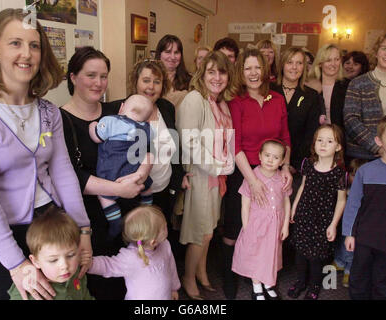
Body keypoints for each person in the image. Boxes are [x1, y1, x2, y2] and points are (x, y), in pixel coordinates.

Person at [0, 8, 92, 300]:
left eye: (34, 45)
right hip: (6, 235)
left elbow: (63, 173)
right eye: (15, 43)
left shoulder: (48, 111)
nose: (27, 54)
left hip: (53, 226)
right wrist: (17, 264)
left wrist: (83, 230)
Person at [61, 46, 143, 300]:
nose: (99, 83)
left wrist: (139, 174)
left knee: (131, 280)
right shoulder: (60, 119)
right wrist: (119, 189)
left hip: (128, 209)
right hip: (89, 219)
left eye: (104, 76)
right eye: (91, 75)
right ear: (73, 77)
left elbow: (141, 145)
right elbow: (69, 176)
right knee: (99, 283)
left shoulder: (116, 111)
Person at [222, 48, 292, 300]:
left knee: (267, 228)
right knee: (237, 226)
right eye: (247, 68)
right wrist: (252, 181)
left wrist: (285, 167)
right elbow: (235, 144)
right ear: (240, 72)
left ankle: (262, 276)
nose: (253, 73)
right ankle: (231, 275)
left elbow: (285, 138)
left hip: (273, 170)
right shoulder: (236, 102)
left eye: (257, 67)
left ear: (265, 70)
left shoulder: (278, 99)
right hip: (244, 172)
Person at [106, 60, 186, 252]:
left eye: (157, 81)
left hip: (163, 189)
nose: (151, 86)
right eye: (146, 80)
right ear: (136, 82)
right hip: (135, 192)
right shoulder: (124, 109)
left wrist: (179, 174)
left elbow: (173, 142)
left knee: (159, 238)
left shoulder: (166, 107)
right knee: (136, 243)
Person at [176, 50, 235, 300]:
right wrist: (218, 167)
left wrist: (227, 163)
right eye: (211, 71)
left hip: (217, 176)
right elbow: (190, 142)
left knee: (210, 230)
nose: (217, 77)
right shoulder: (194, 99)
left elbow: (227, 139)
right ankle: (188, 278)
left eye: (222, 72)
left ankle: (202, 272)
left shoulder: (220, 102)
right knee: (200, 232)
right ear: (202, 73)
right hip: (201, 175)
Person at [343, 115, 386, 300]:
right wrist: (350, 233)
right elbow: (353, 204)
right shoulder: (365, 172)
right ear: (379, 141)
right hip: (365, 240)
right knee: (359, 281)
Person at [288, 124, 347, 300]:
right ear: (314, 144)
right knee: (300, 252)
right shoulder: (308, 164)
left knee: (315, 258)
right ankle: (301, 281)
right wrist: (294, 208)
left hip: (323, 220)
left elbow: (341, 201)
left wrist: (334, 225)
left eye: (329, 141)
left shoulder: (339, 173)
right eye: (319, 140)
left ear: (337, 147)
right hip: (304, 215)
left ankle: (314, 285)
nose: (323, 144)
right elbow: (302, 187)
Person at [232, 139, 292, 300]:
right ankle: (257, 286)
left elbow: (286, 201)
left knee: (270, 255)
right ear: (259, 156)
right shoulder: (253, 177)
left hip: (275, 225)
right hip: (256, 224)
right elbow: (244, 203)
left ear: (281, 161)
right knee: (255, 255)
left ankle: (268, 282)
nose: (270, 160)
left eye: (276, 157)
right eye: (267, 155)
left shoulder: (282, 178)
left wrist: (285, 225)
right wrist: (246, 226)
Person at [88, 95, 154, 240]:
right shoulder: (147, 128)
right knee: (147, 186)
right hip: (134, 172)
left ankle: (115, 221)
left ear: (122, 107)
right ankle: (147, 206)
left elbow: (97, 137)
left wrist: (92, 126)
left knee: (104, 197)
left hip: (111, 173)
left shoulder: (111, 121)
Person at [87, 205, 181, 300]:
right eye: (164, 227)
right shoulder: (130, 258)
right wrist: (90, 264)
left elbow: (171, 267)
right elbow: (108, 266)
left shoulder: (165, 244)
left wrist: (174, 288)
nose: (166, 225)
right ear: (153, 241)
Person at [8, 207, 94, 300]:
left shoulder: (77, 273)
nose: (64, 266)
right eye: (53, 260)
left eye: (71, 255)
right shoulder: (28, 288)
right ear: (36, 261)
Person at [271, 47, 322, 197]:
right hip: (266, 162)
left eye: (299, 63)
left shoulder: (311, 96)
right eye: (290, 62)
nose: (294, 67)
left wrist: (292, 163)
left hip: (295, 166)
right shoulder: (269, 90)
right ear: (282, 65)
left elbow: (310, 134)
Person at [343, 33, 386, 163]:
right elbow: (350, 120)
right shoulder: (357, 83)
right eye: (384, 48)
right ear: (376, 52)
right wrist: (377, 147)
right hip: (362, 157)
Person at [332, 158, 368, 288]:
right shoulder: (345, 187)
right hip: (345, 222)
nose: (357, 179)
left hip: (359, 225)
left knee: (353, 248)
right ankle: (339, 262)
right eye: (354, 175)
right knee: (340, 241)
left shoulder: (367, 191)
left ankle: (349, 271)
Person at [306, 43, 349, 130]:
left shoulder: (348, 86)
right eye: (328, 60)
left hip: (339, 137)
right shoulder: (309, 85)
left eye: (336, 59)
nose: (333, 64)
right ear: (320, 63)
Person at [155, 34, 192, 108]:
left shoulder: (190, 80)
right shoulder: (150, 79)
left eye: (176, 52)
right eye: (168, 52)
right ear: (159, 54)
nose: (172, 57)